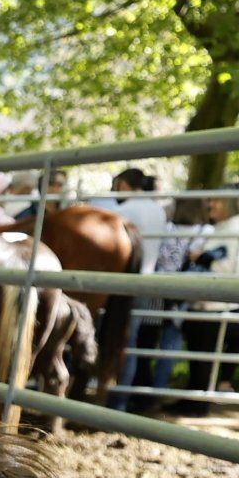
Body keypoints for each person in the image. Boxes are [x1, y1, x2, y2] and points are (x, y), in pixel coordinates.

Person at [169, 194, 239, 414]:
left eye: (216, 201)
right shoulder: (222, 228)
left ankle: (199, 403)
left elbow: (230, 266)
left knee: (205, 358)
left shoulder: (238, 228)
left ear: (229, 203)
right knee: (198, 357)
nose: (210, 205)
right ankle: (193, 398)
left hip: (217, 305)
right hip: (204, 302)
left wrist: (202, 257)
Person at [107, 169, 176, 409]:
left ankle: (112, 399)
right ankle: (120, 401)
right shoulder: (157, 210)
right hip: (146, 283)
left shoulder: (125, 211)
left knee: (117, 340)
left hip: (123, 283)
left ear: (124, 185)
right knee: (131, 342)